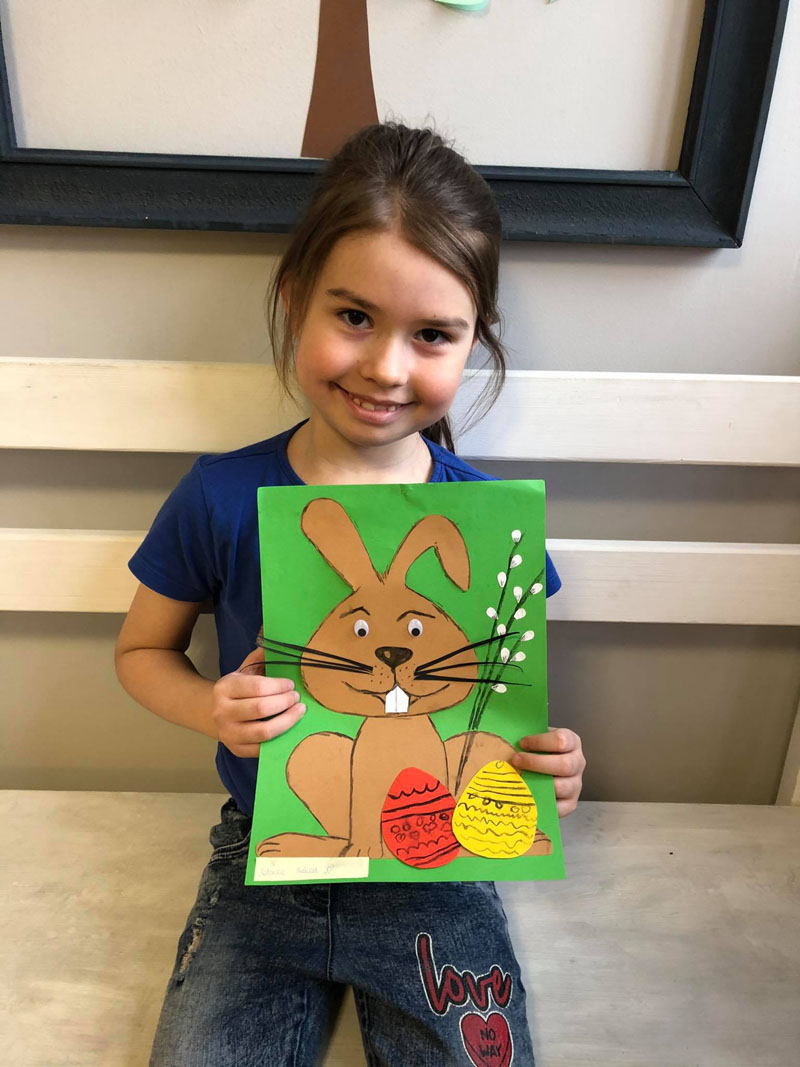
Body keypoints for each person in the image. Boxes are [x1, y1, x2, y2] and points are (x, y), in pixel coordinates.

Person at [116, 122, 586, 1067]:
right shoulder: (221, 495)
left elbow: (502, 700)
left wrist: (554, 764)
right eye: (356, 316)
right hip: (267, 855)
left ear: (473, 341)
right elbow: (140, 651)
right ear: (295, 298)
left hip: (441, 866)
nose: (386, 367)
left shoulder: (489, 526)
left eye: (433, 334)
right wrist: (211, 707)